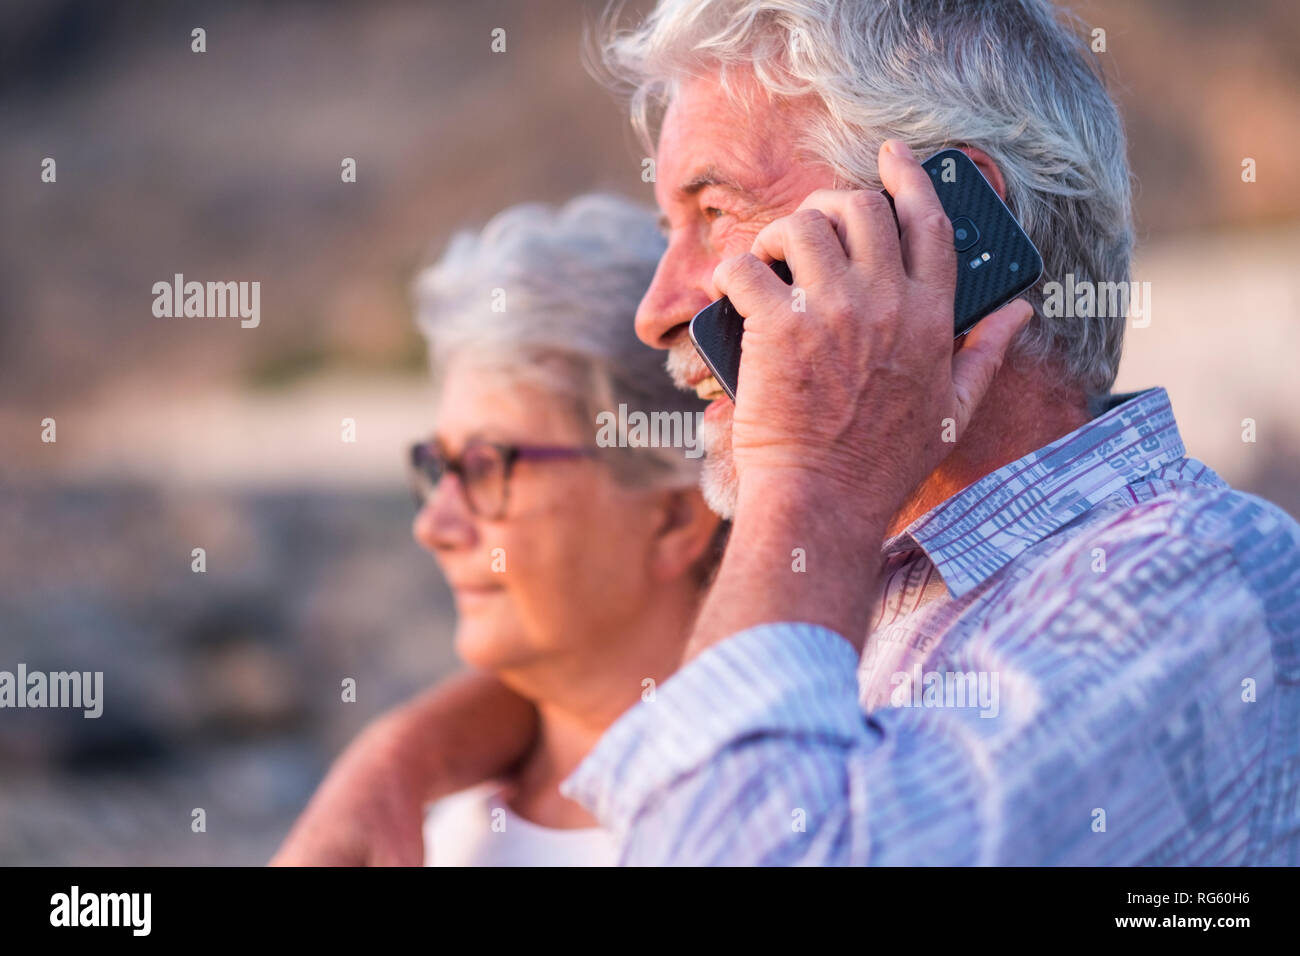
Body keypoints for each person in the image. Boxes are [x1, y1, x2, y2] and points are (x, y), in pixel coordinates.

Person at [275, 0, 1300, 866]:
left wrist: (807, 471)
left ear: (935, 232)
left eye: (713, 211)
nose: (657, 303)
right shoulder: (879, 572)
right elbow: (606, 677)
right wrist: (403, 756)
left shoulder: (1188, 586)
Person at [273, 195, 722, 866]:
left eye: (486, 467)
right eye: (438, 466)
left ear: (674, 515)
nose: (434, 524)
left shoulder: (773, 824)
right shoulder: (421, 829)